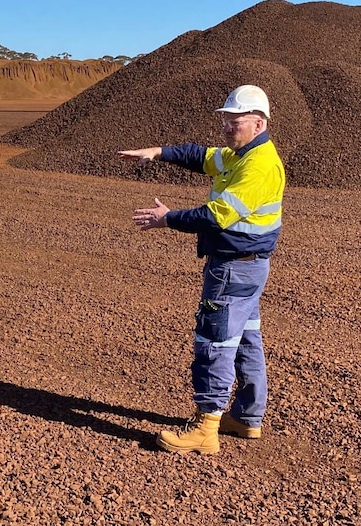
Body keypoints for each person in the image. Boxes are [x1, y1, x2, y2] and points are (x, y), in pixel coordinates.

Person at [117, 85, 285, 455]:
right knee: (245, 338)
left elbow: (216, 216)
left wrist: (168, 219)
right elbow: (202, 156)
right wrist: (158, 153)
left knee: (215, 340)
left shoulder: (258, 166)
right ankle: (246, 417)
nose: (227, 126)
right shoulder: (241, 155)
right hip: (248, 268)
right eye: (225, 119)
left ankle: (206, 427)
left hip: (233, 269)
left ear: (258, 122)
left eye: (235, 120)